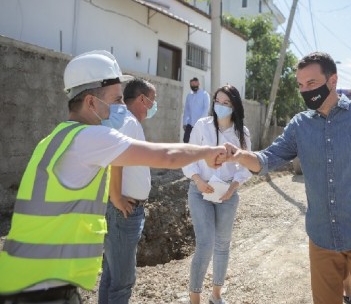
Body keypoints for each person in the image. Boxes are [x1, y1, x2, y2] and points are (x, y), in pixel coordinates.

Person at [0, 50, 225, 304]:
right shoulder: (90, 138)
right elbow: (168, 156)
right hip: (41, 290)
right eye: (116, 99)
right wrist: (208, 151)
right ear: (91, 102)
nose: (121, 107)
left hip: (25, 281)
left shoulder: (53, 139)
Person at [224, 52, 351, 304]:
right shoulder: (300, 125)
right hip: (322, 237)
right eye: (300, 85)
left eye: (311, 83)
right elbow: (267, 159)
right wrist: (239, 155)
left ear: (333, 81)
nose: (305, 90)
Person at [182, 85, 252, 304]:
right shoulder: (202, 126)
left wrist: (233, 188)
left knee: (222, 244)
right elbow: (188, 156)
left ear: (234, 107)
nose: (220, 106)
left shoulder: (242, 132)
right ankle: (195, 297)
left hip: (226, 194)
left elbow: (246, 166)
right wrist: (198, 181)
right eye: (217, 101)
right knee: (205, 243)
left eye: (226, 103)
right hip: (200, 190)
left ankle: (216, 295)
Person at [98, 78, 158, 304]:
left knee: (112, 276)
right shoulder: (129, 121)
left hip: (123, 210)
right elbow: (116, 157)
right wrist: (116, 197)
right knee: (121, 283)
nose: (154, 106)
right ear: (142, 99)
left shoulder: (126, 121)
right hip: (124, 210)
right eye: (153, 101)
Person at [183, 77, 210, 143]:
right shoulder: (189, 95)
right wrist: (184, 122)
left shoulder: (204, 94)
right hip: (190, 124)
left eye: (194, 84)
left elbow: (206, 109)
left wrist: (200, 123)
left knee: (197, 143)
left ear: (198, 83)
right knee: (186, 141)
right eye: (191, 84)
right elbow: (186, 110)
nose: (193, 86)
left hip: (199, 125)